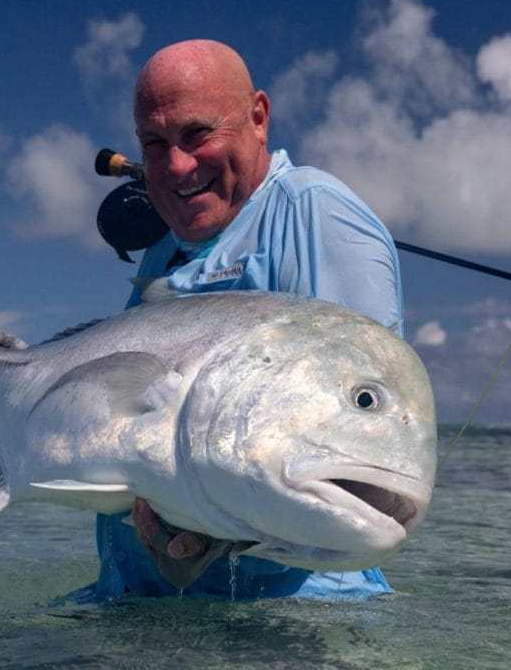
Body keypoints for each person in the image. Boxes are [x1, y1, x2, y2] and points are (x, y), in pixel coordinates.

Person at [74, 39, 403, 602]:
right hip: (141, 606)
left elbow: (350, 445)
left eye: (198, 134)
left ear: (258, 118)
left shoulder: (315, 212)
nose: (177, 165)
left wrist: (209, 538)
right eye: (155, 143)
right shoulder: (165, 249)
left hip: (292, 621)